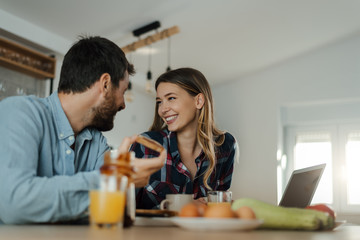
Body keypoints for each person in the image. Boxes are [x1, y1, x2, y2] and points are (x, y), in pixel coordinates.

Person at [0, 36, 165, 224]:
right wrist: (114, 179)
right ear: (105, 84)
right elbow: (14, 203)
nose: (123, 104)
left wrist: (121, 179)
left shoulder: (97, 143)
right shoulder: (21, 112)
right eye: (123, 91)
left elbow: (110, 212)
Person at [131, 68, 237, 209]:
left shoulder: (225, 145)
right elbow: (123, 207)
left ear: (198, 101)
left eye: (171, 98)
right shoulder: (146, 145)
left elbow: (220, 206)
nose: (162, 109)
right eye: (159, 102)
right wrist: (184, 207)